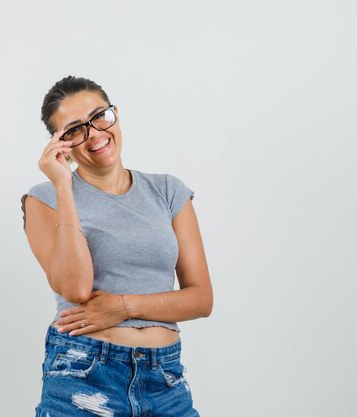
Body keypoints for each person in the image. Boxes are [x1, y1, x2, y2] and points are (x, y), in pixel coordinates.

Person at [21, 75, 213, 417]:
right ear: (59, 144)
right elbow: (75, 288)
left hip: (165, 380)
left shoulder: (168, 191)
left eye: (99, 116)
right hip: (84, 374)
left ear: (115, 114)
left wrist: (123, 306)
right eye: (75, 129)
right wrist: (64, 185)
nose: (93, 133)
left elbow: (201, 299)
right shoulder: (45, 198)